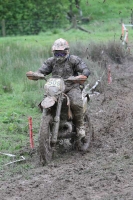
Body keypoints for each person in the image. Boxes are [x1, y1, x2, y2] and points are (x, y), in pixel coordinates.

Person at [27, 38, 90, 143]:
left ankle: (80, 127)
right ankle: (46, 125)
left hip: (71, 87)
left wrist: (82, 76)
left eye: (61, 53)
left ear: (67, 51)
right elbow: (42, 70)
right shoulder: (51, 61)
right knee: (44, 103)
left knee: (75, 102)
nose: (59, 56)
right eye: (57, 54)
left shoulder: (74, 60)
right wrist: (36, 75)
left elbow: (85, 69)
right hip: (55, 89)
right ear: (53, 53)